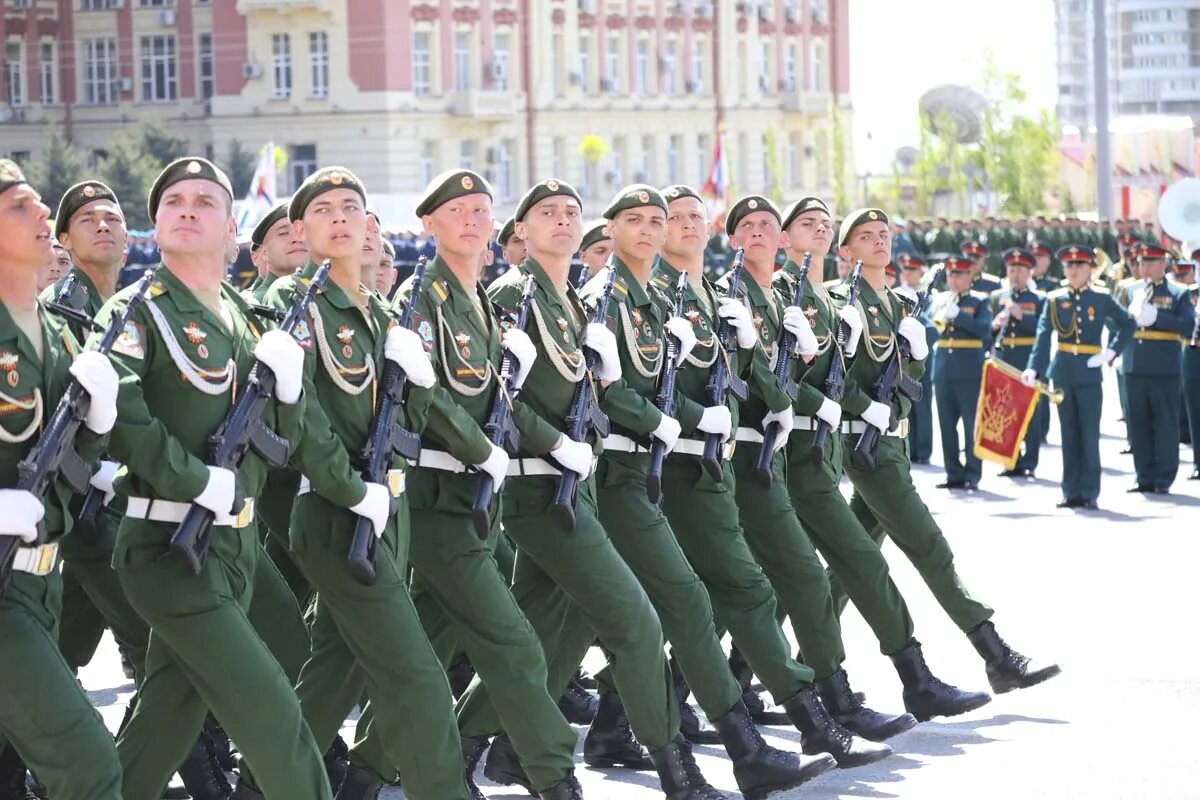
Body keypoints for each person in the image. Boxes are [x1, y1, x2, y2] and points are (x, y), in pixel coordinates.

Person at [453, 177, 716, 800]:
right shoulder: (513, 296)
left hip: (576, 486)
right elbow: (497, 399)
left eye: (573, 212)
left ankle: (479, 747)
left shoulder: (569, 300)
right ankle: (676, 767)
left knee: (549, 633)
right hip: (537, 489)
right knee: (637, 620)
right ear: (521, 231)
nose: (564, 221)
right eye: (547, 213)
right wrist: (552, 441)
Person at [578, 184, 837, 800]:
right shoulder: (605, 299)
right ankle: (758, 739)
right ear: (611, 230)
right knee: (687, 601)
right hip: (623, 473)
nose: (662, 228)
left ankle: (556, 736)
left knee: (579, 623)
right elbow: (604, 390)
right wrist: (686, 420)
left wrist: (767, 356)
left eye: (666, 218)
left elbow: (729, 383)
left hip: (681, 468)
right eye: (641, 221)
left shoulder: (671, 298)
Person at [231, 167, 472, 800]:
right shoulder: (291, 306)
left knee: (332, 669)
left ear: (370, 227)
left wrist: (418, 387)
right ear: (302, 229)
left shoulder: (381, 312)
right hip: (337, 513)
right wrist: (349, 488)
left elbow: (408, 421)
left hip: (387, 509)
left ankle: (258, 786)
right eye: (323, 210)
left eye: (351, 209)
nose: (340, 218)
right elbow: (300, 415)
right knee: (416, 673)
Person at [94, 157, 332, 798]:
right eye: (173, 201)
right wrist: (194, 480)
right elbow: (125, 417)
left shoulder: (247, 317)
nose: (188, 208)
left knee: (167, 717)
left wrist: (290, 386)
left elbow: (288, 439)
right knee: (272, 710)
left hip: (236, 546)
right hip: (167, 545)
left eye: (205, 200)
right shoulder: (136, 311)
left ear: (232, 229)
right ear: (157, 224)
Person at [391, 170, 584, 800]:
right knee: (515, 642)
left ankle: (365, 772)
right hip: (437, 495)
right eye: (457, 209)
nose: (472, 219)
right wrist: (481, 448)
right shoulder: (425, 297)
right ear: (429, 223)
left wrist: (544, 438)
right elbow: (426, 394)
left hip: (476, 498)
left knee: (416, 648)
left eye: (481, 209)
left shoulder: (479, 300)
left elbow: (496, 398)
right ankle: (554, 777)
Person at [771, 197, 990, 723]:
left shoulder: (829, 298)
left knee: (803, 574)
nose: (820, 231)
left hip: (827, 450)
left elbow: (858, 374)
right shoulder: (786, 294)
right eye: (809, 225)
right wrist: (839, 400)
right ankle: (868, 688)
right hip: (787, 453)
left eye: (826, 224)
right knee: (780, 577)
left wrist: (913, 355)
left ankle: (804, 687)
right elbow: (784, 377)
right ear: (785, 238)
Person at [834, 208, 1060, 697]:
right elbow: (834, 379)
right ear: (845, 250)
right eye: (865, 237)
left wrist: (917, 351)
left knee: (846, 563)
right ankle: (995, 654)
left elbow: (908, 382)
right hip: (862, 445)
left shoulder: (896, 303)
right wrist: (864, 406)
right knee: (930, 549)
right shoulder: (840, 303)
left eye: (884, 235)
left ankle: (772, 668)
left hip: (888, 439)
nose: (878, 242)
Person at [716, 192, 918, 742]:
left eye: (766, 224)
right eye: (748, 226)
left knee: (778, 583)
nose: (759, 232)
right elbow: (750, 381)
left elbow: (814, 371)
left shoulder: (782, 297)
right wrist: (803, 397)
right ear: (732, 239)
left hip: (787, 455)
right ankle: (824, 701)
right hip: (746, 457)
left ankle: (818, 698)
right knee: (760, 585)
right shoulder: (731, 296)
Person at [0, 159, 124, 800]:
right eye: (20, 207)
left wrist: (98, 422)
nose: (43, 213)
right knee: (87, 763)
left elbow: (72, 459)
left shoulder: (52, 333)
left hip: (40, 580)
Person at [1025, 245, 1135, 509]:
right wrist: (1033, 367)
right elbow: (1043, 336)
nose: (1073, 271)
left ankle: (1089, 491)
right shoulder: (1054, 298)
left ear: (1090, 270)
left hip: (1088, 371)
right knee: (1069, 432)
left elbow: (1128, 323)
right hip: (1063, 371)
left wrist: (1110, 352)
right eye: (1069, 266)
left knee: (1088, 433)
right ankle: (1070, 490)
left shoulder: (1101, 297)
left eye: (1079, 266)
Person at [1118, 244, 1194, 494]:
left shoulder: (1178, 292)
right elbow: (1114, 320)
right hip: (1134, 365)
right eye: (1143, 262)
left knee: (1165, 423)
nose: (1147, 267)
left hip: (1164, 367)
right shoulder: (1129, 290)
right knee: (1138, 423)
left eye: (1152, 262)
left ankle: (1164, 477)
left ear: (1164, 265)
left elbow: (1186, 326)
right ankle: (1144, 475)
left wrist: (1157, 319)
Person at [929, 255, 992, 490]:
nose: (953, 279)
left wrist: (961, 316)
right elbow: (930, 328)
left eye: (959, 275)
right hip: (944, 368)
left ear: (970, 277)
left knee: (971, 425)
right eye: (951, 275)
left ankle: (973, 473)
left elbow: (985, 329)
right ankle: (952, 473)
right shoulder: (939, 300)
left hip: (969, 370)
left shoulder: (979, 301)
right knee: (946, 425)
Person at [990, 248, 1048, 478]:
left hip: (1027, 358)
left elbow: (1043, 331)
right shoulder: (997, 297)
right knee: (1006, 411)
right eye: (1011, 270)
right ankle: (1010, 461)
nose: (1015, 275)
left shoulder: (1040, 299)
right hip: (1005, 359)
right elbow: (988, 333)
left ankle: (1030, 461)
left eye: (1020, 271)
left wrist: (1021, 316)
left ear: (1029, 273)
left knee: (1030, 412)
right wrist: (995, 325)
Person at [895, 254, 937, 463]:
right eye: (906, 270)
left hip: (921, 355)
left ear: (921, 273)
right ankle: (908, 447)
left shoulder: (931, 297)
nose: (908, 274)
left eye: (913, 271)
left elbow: (933, 327)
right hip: (900, 357)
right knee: (903, 403)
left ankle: (924, 449)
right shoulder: (896, 295)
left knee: (923, 405)